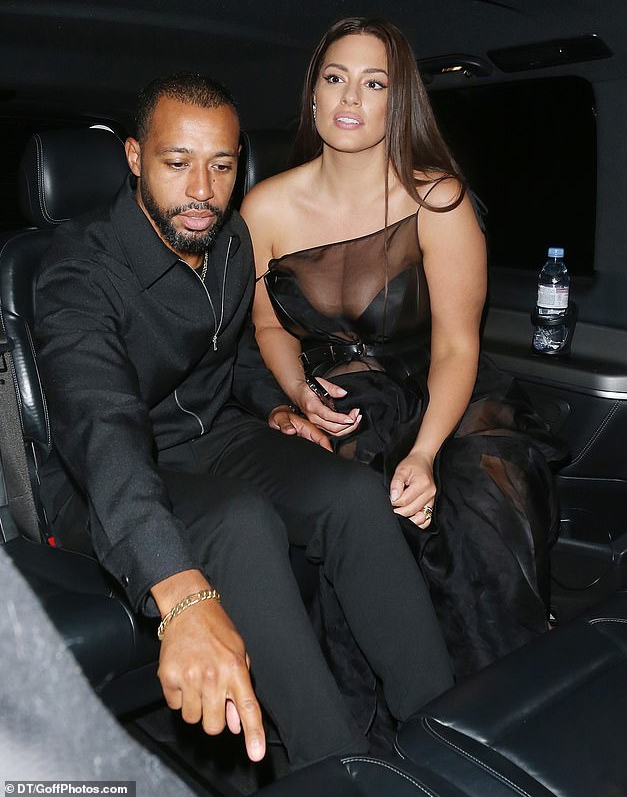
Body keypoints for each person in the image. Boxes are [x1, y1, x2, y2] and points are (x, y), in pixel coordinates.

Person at [34, 73, 454, 770]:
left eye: (221, 165)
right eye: (177, 163)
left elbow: (231, 357)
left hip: (210, 435)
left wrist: (279, 406)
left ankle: (448, 733)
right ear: (135, 158)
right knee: (239, 519)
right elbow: (101, 430)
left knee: (351, 494)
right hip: (95, 480)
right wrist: (181, 591)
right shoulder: (76, 272)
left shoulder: (226, 243)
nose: (202, 189)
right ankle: (335, 766)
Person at [242, 18, 566, 687]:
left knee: (481, 501)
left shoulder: (436, 199)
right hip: (343, 398)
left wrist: (424, 453)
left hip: (446, 391)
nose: (350, 97)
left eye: (373, 82)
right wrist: (299, 391)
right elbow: (269, 329)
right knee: (357, 512)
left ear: (398, 102)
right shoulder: (264, 208)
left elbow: (456, 343)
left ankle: (499, 707)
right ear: (313, 98)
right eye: (335, 78)